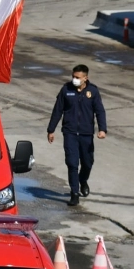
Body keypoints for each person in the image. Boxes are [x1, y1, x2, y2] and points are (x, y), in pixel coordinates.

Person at [47, 64, 107, 207]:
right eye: (73, 76)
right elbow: (57, 110)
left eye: (78, 77)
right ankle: (74, 193)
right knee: (72, 163)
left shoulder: (93, 91)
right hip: (70, 133)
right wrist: (51, 130)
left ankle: (83, 180)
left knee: (87, 162)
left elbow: (99, 111)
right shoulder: (66, 90)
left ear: (85, 78)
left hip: (86, 134)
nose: (74, 79)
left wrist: (102, 129)